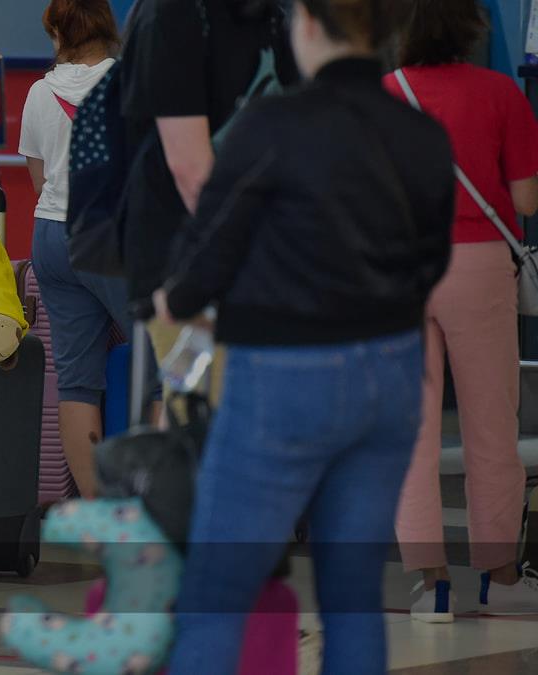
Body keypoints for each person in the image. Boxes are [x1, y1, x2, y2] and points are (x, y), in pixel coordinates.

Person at [153, 1, 455, 672]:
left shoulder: (272, 125)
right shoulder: (422, 135)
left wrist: (175, 298)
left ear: (310, 25)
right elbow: (433, 261)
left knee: (216, 592)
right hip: (392, 373)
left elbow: (209, 250)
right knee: (353, 597)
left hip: (285, 377)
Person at [387, 0, 538, 621]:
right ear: (472, 26)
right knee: (492, 426)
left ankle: (432, 585)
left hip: (400, 268)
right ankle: (500, 579)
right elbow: (525, 198)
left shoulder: (383, 95)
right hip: (478, 266)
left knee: (409, 432)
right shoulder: (501, 93)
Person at [20, 0, 159, 499]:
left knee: (77, 381)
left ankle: (99, 515)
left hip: (53, 238)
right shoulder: (131, 82)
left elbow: (39, 180)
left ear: (59, 34)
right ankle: (153, 504)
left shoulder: (40, 92)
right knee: (163, 366)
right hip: (113, 238)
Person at [120, 0, 297, 390]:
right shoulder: (172, 14)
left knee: (238, 405)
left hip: (256, 261)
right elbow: (191, 171)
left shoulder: (270, 15)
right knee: (207, 408)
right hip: (191, 263)